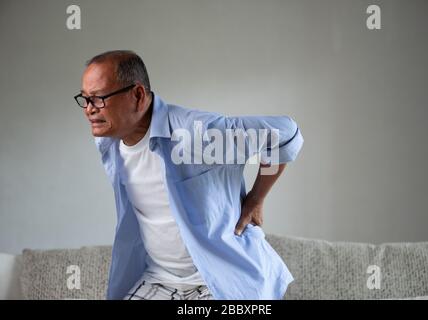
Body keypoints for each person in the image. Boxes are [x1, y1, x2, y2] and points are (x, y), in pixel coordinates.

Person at [74, 50, 304, 300]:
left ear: (138, 95)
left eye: (98, 98)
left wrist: (256, 198)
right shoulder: (110, 143)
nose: (88, 110)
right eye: (84, 99)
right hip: (159, 279)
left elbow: (285, 134)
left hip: (219, 282)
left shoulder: (197, 133)